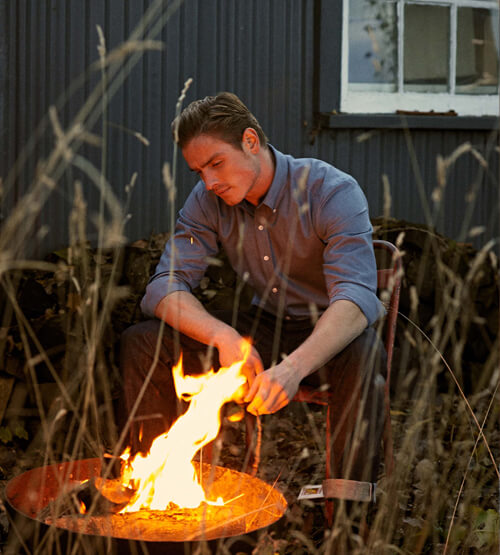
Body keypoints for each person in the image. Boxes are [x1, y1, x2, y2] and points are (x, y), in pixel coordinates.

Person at [119, 92, 387, 490]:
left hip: (327, 333)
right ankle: (155, 485)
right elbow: (164, 286)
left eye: (216, 163)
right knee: (142, 342)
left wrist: (294, 369)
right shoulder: (207, 201)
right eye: (198, 171)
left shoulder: (330, 190)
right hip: (260, 328)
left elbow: (356, 299)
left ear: (250, 141)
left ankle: (349, 516)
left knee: (366, 354)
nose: (208, 182)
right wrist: (223, 336)